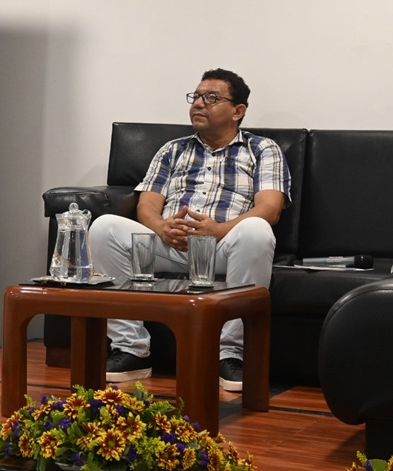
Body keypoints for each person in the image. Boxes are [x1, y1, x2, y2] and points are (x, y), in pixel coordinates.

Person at [88, 68, 290, 392]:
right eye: (195, 96)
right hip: (170, 246)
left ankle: (231, 354)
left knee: (257, 229)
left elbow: (270, 208)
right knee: (104, 227)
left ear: (238, 111)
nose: (198, 103)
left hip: (224, 247)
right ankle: (131, 349)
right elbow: (146, 205)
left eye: (211, 97)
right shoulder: (173, 150)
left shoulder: (262, 149)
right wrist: (162, 227)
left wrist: (219, 230)